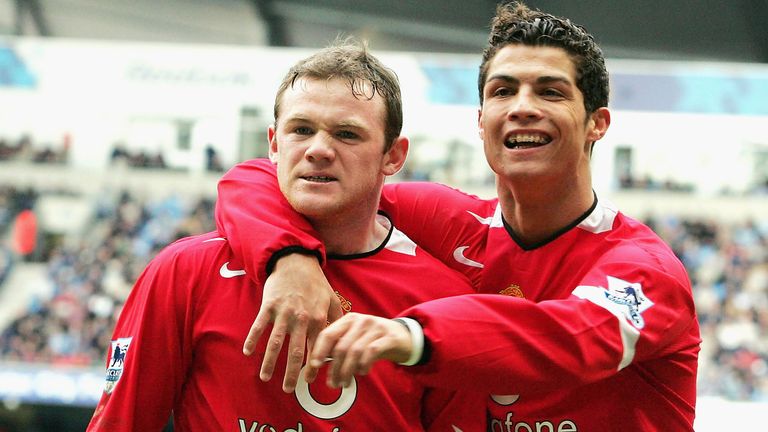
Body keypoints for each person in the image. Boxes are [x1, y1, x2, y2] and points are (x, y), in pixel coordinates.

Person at [213, 2, 701, 431]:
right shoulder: (450, 221)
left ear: (597, 122)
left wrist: (413, 335)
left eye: (550, 92)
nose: (522, 107)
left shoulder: (644, 269)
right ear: (481, 118)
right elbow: (262, 179)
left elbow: (570, 338)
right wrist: (289, 259)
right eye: (503, 91)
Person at [86, 40, 483, 431]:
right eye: (302, 129)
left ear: (393, 156)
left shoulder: (445, 299)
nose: (318, 149)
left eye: (347, 134)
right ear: (274, 144)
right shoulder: (185, 271)